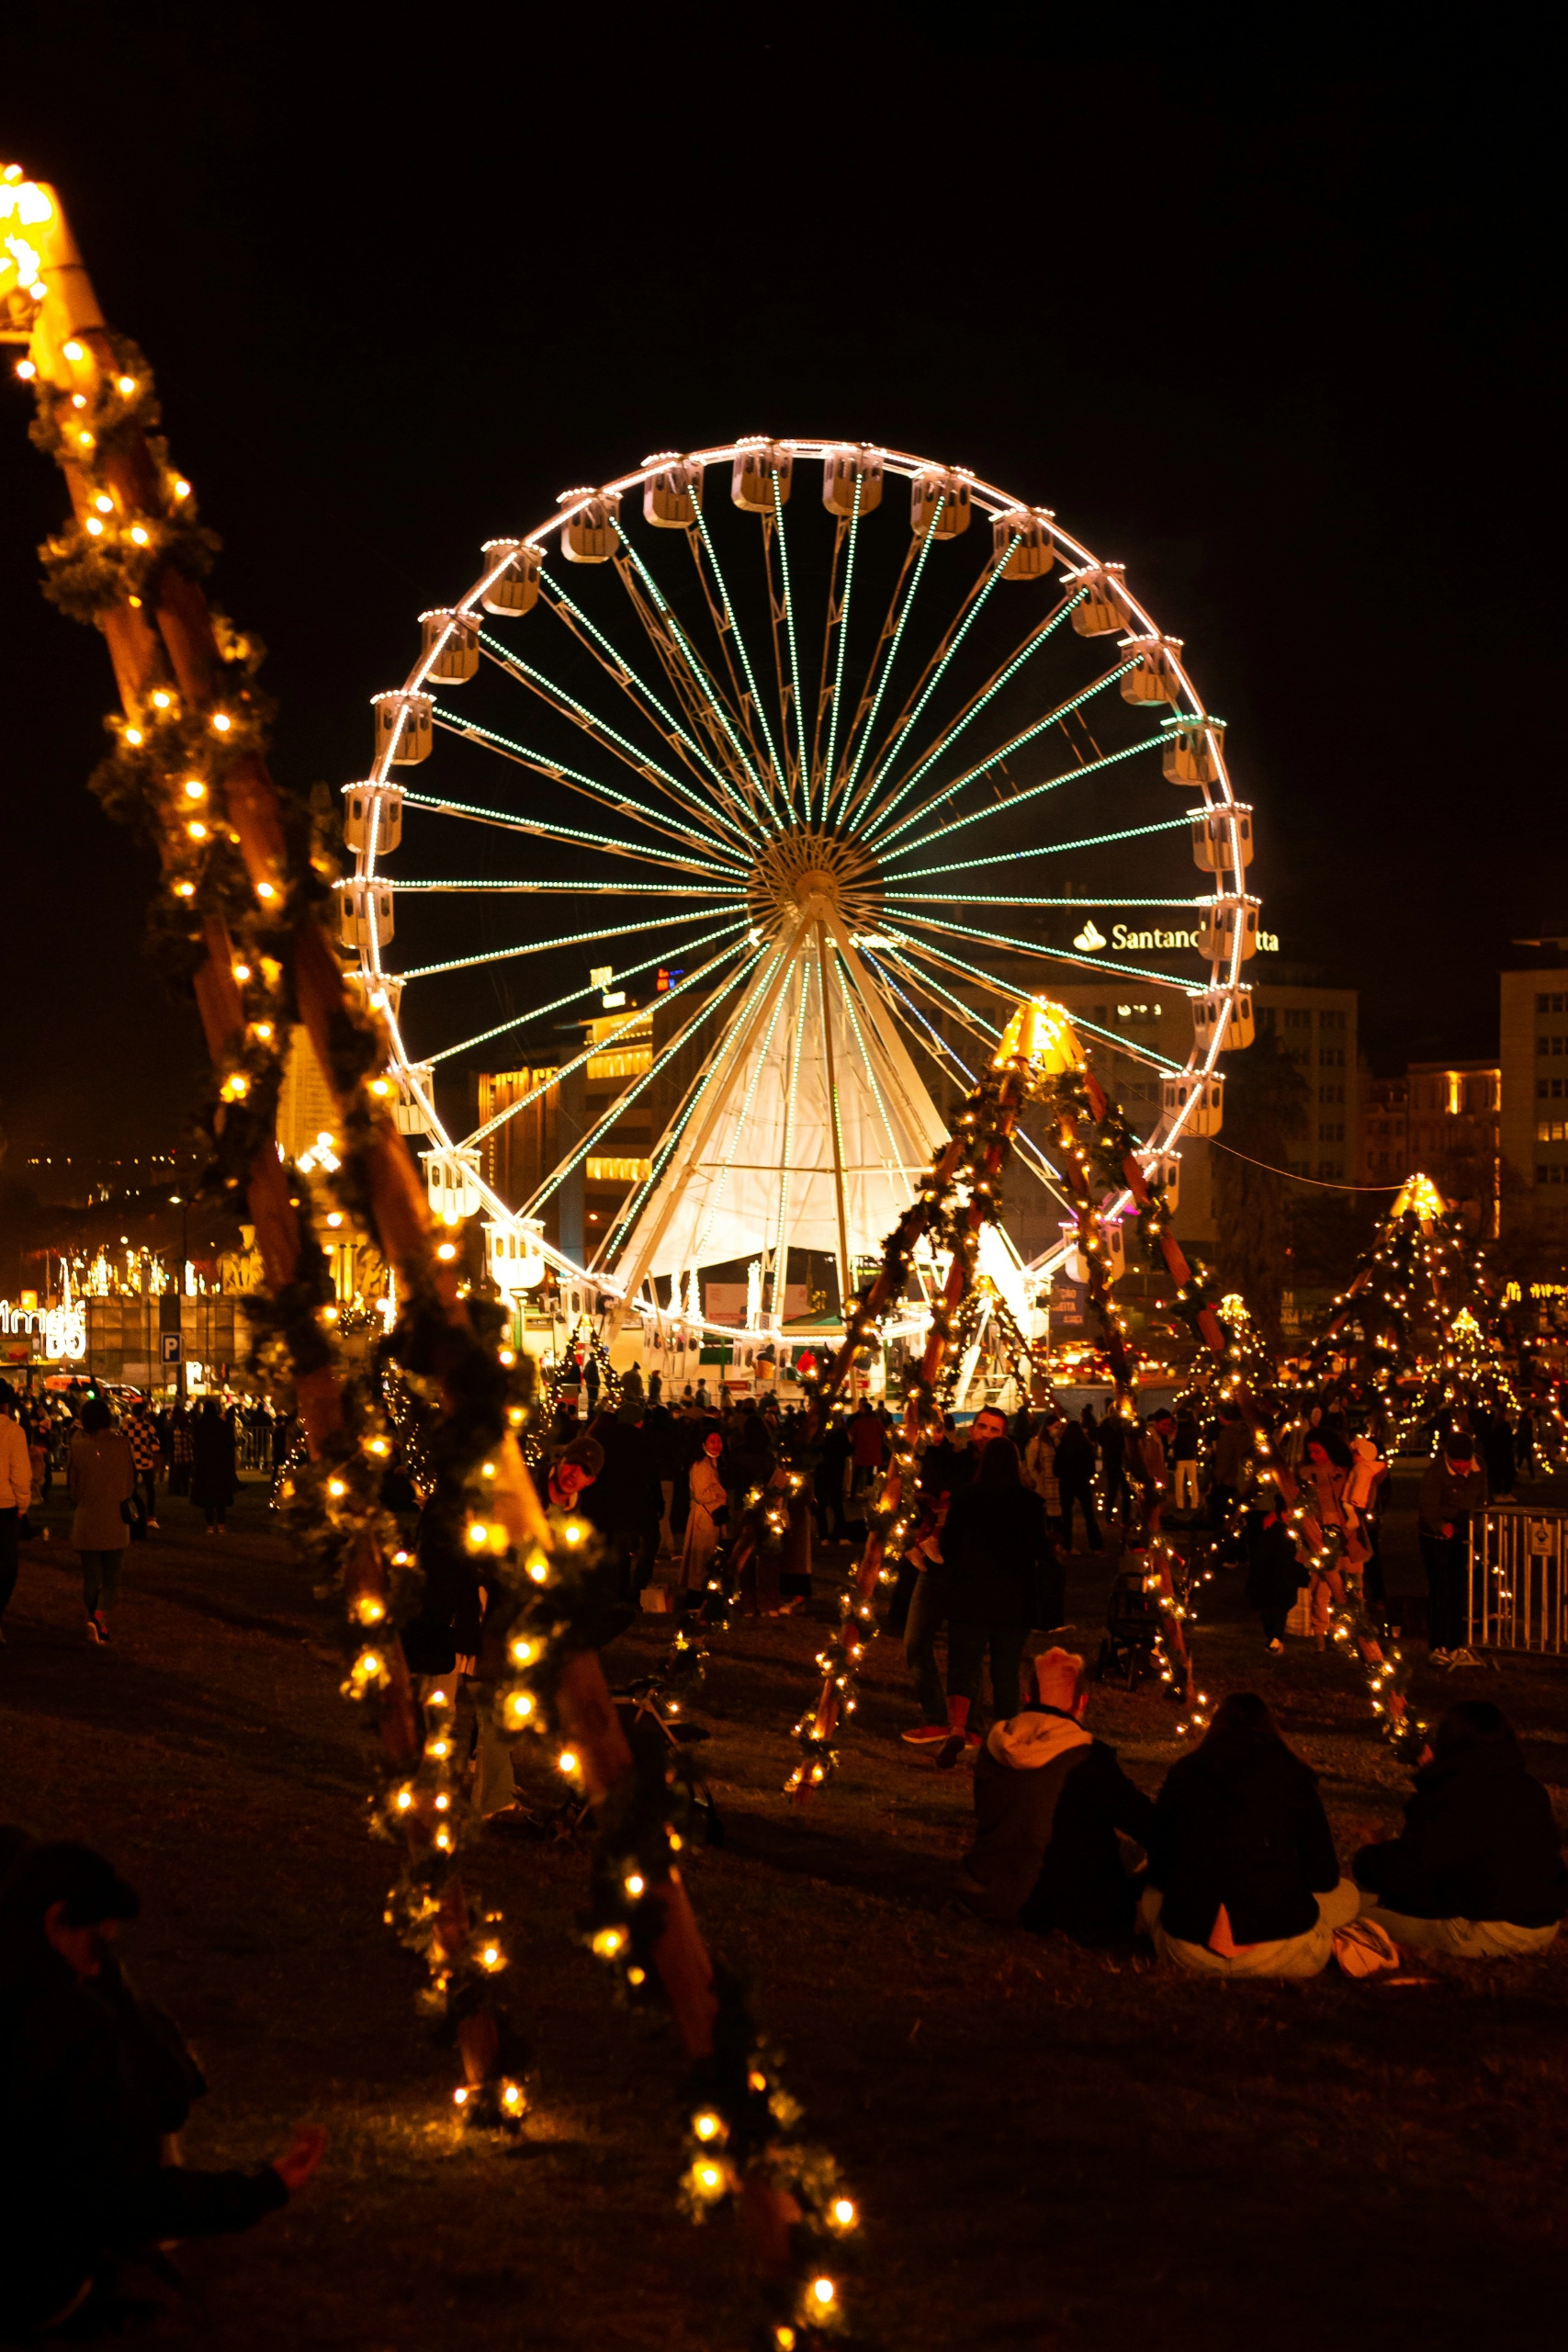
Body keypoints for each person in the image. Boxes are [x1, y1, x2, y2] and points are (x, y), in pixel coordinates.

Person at [0, 1838, 324, 2337]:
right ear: (55, 1921)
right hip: (27, 2287)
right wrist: (264, 2188)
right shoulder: (67, 2024)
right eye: (97, 1945)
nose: (94, 1967)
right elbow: (121, 2196)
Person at [1141, 1692, 1359, 1976]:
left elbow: (1159, 1872)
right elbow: (1325, 1877)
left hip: (1188, 1951)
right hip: (1281, 1950)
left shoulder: (1184, 1774)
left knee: (1150, 1894)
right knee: (1348, 1895)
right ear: (1271, 1730)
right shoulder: (1294, 1777)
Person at [957, 1646, 1157, 1943]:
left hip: (982, 1892)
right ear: (1082, 1703)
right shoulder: (1087, 1758)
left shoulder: (994, 1745)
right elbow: (1149, 1827)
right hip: (1051, 1907)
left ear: (1028, 1699)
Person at [1353, 1702, 1568, 1958]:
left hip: (1487, 1926)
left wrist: (1366, 1858)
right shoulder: (1529, 1788)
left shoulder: (1451, 1793)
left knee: (1350, 1906)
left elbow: (1413, 1869)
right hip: (1544, 1923)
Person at [941, 1436, 1058, 1734]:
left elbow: (948, 1544)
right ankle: (1006, 1729)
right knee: (1005, 1669)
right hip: (1014, 1598)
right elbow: (1040, 1551)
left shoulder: (966, 1497)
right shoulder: (1029, 1503)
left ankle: (958, 1726)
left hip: (971, 1594)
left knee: (964, 1665)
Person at [69, 1398, 135, 1645]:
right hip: (116, 1520)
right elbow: (130, 1483)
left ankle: (95, 1620)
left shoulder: (78, 1447)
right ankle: (98, 1619)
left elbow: (72, 1490)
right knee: (112, 1578)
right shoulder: (122, 1445)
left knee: (91, 1577)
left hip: (87, 1519)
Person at [1419, 1430, 1487, 1667]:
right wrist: (1441, 1525)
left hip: (1465, 1533)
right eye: (1456, 1462)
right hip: (1436, 1537)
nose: (1460, 1466)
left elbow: (1481, 1500)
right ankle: (1438, 1644)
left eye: (1464, 1462)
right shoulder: (1436, 1472)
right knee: (1440, 1588)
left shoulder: (1480, 1469)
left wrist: (1476, 1527)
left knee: (1461, 1589)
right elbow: (1428, 1507)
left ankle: (1457, 1643)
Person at [1245, 1502, 1302, 1652]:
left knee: (1279, 1609)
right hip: (1269, 1576)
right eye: (1285, 1513)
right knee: (1270, 1609)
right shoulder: (1272, 1530)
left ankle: (1275, 1638)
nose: (1288, 1517)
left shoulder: (1295, 1532)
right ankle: (1273, 1637)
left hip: (1283, 1578)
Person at [679, 1427, 728, 1593]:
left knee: (710, 1556)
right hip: (705, 1516)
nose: (716, 1445)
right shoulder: (701, 1465)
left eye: (719, 1441)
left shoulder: (715, 1462)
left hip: (713, 1514)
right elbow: (702, 1494)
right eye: (712, 1442)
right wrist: (720, 1494)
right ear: (703, 1444)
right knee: (701, 1559)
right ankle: (698, 1593)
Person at [0, 1382, 31, 1646]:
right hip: (3, 1508)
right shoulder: (12, 1432)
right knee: (6, 1570)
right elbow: (21, 1475)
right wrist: (23, 1505)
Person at [1053, 1411, 1102, 1553]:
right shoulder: (1086, 1447)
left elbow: (1055, 1469)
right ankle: (1096, 1546)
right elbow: (1092, 1468)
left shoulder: (1062, 1447)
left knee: (1066, 1517)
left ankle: (1066, 1546)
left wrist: (1064, 1475)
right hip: (1082, 1484)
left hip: (1066, 1484)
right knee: (1089, 1516)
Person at [189, 1396, 238, 1535]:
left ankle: (210, 1525)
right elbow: (231, 1443)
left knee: (207, 1497)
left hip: (205, 1465)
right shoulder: (223, 1426)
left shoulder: (200, 1426)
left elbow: (196, 1443)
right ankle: (221, 1525)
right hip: (220, 1465)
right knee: (220, 1496)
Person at [1209, 1402, 1249, 1532]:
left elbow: (1224, 1459)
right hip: (1243, 1480)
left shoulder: (1227, 1434)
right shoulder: (1246, 1430)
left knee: (1222, 1515)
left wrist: (1217, 1478)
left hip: (1228, 1481)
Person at [1022, 1411, 1063, 1540]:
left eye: (1059, 1427)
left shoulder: (1056, 1443)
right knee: (1044, 1519)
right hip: (1042, 1487)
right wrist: (1038, 1479)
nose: (1058, 1430)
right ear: (1048, 1426)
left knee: (1056, 1520)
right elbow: (1031, 1465)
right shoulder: (1036, 1443)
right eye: (1056, 1427)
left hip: (1056, 1488)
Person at [126, 1399, 162, 1531]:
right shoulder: (148, 1427)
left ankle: (131, 1515)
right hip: (145, 1462)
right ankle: (150, 1518)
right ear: (143, 1413)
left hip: (131, 1462)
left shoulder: (125, 1426)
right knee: (150, 1490)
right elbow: (155, 1446)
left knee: (131, 1490)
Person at [1170, 1410, 1201, 1514]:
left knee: (1179, 1483)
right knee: (1193, 1481)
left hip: (1179, 1457)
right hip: (1191, 1456)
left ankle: (1180, 1505)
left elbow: (1172, 1440)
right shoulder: (1194, 1428)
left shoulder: (1177, 1428)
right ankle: (1194, 1503)